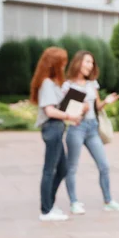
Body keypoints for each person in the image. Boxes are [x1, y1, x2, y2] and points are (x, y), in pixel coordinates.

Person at [62, 50, 119, 214]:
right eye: (87, 62)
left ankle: (108, 201)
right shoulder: (68, 85)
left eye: (91, 62)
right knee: (72, 167)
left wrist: (106, 101)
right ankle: (74, 202)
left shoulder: (92, 84)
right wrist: (81, 109)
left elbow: (96, 107)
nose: (90, 65)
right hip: (76, 128)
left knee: (104, 165)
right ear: (78, 63)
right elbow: (67, 113)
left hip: (92, 128)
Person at [31, 46, 83, 222]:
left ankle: (49, 205)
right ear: (54, 64)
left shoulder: (52, 83)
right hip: (52, 128)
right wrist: (70, 115)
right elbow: (50, 111)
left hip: (57, 128)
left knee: (62, 168)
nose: (64, 66)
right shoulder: (46, 83)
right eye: (62, 62)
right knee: (49, 170)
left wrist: (72, 111)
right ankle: (46, 210)